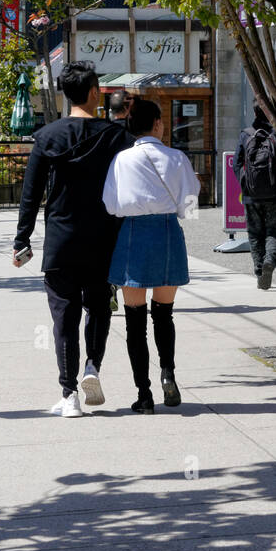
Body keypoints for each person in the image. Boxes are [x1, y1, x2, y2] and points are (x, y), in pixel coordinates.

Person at [13, 61, 132, 418]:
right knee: (98, 307)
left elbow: (30, 194)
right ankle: (92, 367)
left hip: (62, 240)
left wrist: (22, 240)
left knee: (64, 316)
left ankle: (69, 396)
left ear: (66, 94)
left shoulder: (47, 137)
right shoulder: (117, 137)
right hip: (104, 237)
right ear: (95, 92)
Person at [103, 98, 200, 414]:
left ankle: (144, 395)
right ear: (157, 123)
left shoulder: (122, 160)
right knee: (164, 313)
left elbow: (111, 204)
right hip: (168, 232)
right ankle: (168, 372)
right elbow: (189, 204)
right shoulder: (177, 158)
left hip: (133, 234)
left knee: (134, 321)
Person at [234, 104, 276, 290]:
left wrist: (246, 186)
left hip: (251, 196)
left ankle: (259, 269)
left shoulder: (246, 134)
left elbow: (236, 164)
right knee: (275, 231)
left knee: (254, 233)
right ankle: (269, 260)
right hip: (275, 195)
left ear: (254, 113)